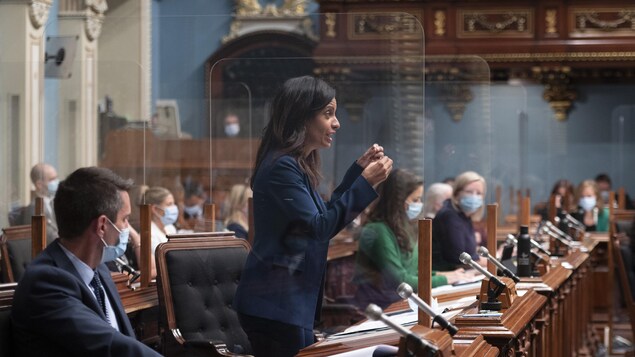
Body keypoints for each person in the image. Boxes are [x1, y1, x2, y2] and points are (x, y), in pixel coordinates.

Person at [233, 75, 392, 357]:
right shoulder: (281, 167)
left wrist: (357, 172)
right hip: (275, 304)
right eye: (327, 113)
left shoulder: (295, 165)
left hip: (288, 303)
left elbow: (323, 215)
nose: (337, 122)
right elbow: (320, 228)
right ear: (301, 116)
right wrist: (365, 184)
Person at [10, 167, 161, 356]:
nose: (128, 228)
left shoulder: (100, 271)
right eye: (125, 219)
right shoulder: (45, 283)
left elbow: (125, 340)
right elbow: (110, 346)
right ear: (102, 226)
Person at [352, 169, 472, 309]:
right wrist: (445, 279)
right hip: (380, 307)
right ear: (397, 201)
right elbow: (400, 281)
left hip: (400, 301)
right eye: (415, 200)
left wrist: (446, 274)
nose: (419, 204)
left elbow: (412, 272)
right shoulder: (377, 230)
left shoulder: (404, 227)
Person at [432, 171, 488, 271]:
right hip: (446, 275)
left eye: (479, 193)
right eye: (469, 192)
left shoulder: (464, 215)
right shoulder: (449, 216)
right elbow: (459, 260)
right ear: (457, 194)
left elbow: (470, 252)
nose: (474, 196)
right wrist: (492, 261)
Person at [11, 163, 59, 243]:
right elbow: (47, 238)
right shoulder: (34, 209)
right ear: (39, 184)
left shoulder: (51, 203)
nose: (56, 182)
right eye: (52, 179)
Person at [144, 186, 179, 278]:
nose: (174, 208)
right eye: (169, 204)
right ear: (155, 209)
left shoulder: (170, 228)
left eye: (173, 204)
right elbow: (156, 267)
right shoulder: (149, 234)